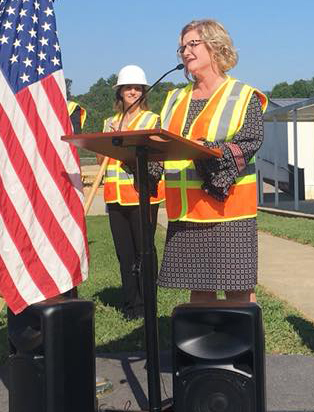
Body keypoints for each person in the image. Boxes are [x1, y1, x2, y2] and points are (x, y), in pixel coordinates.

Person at [158, 19, 267, 304]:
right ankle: (201, 347)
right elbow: (161, 147)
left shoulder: (243, 95)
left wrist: (207, 154)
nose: (185, 51)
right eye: (182, 47)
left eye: (193, 43)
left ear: (216, 46)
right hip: (186, 212)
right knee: (199, 290)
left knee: (238, 292)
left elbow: (249, 141)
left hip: (228, 213)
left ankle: (243, 349)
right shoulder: (173, 98)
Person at [101, 65, 164, 319]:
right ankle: (131, 305)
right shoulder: (109, 123)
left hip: (142, 195)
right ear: (119, 92)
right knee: (124, 253)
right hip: (115, 197)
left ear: (143, 92)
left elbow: (156, 160)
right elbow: (103, 156)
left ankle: (147, 303)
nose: (133, 91)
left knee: (144, 250)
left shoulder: (152, 119)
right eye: (128, 87)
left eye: (137, 88)